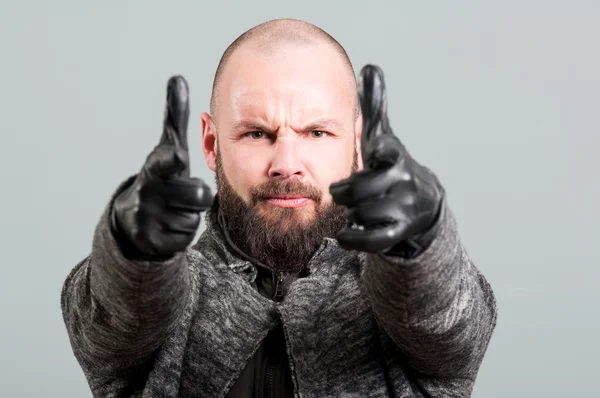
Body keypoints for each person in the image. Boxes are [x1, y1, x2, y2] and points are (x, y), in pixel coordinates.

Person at [61, 18, 498, 398]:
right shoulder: (162, 297)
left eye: (317, 133)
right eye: (256, 133)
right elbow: (111, 319)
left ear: (359, 144)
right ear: (211, 144)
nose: (286, 164)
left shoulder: (412, 300)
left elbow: (446, 319)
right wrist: (133, 255)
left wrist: (422, 247)